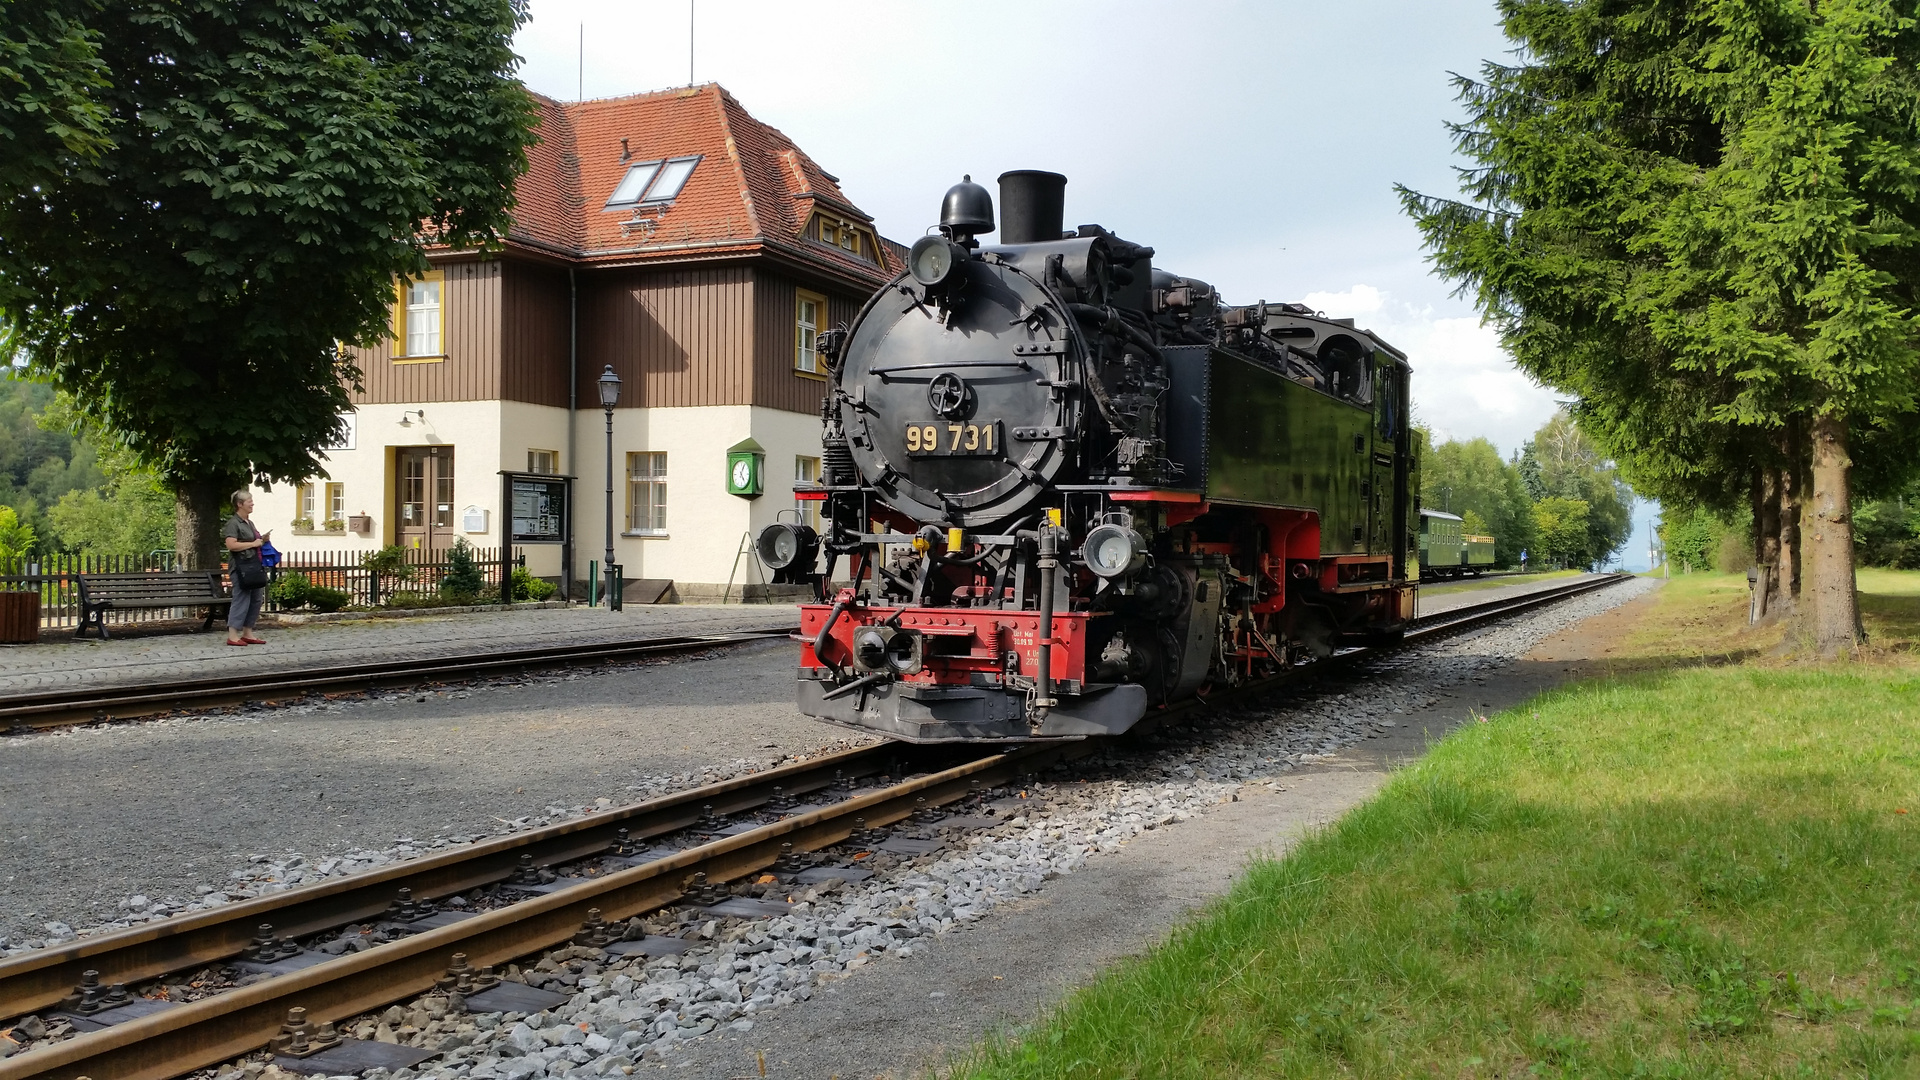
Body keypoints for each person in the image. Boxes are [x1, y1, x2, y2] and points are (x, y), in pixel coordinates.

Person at [223, 489, 272, 645]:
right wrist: (253, 543)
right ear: (239, 504)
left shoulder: (249, 523)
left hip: (253, 565)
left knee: (256, 598)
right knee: (241, 598)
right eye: (249, 501)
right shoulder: (233, 523)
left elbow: (254, 543)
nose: (252, 503)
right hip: (241, 567)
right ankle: (232, 635)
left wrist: (262, 540)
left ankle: (248, 632)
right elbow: (231, 545)